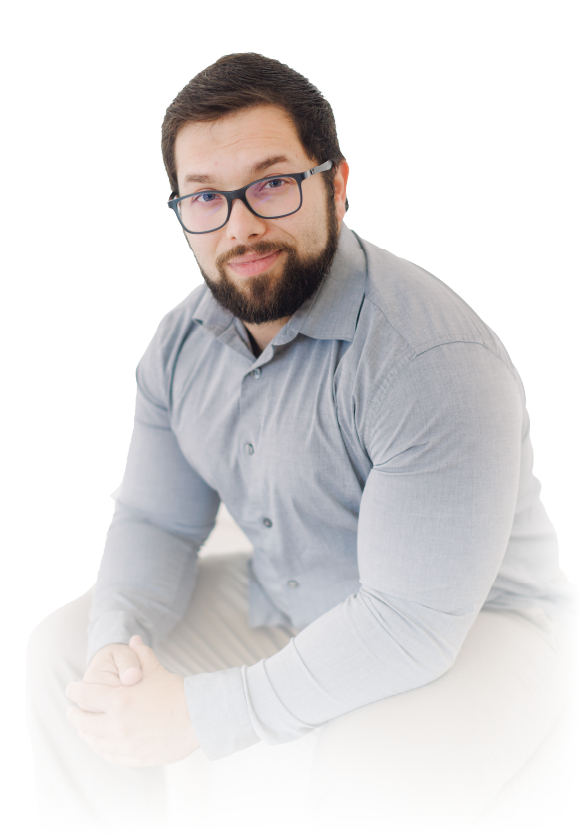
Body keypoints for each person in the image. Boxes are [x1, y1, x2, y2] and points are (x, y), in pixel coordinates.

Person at [26, 51, 577, 834]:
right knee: (68, 660)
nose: (240, 224)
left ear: (336, 185)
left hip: (475, 627)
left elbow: (409, 623)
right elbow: (156, 521)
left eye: (271, 184)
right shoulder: (179, 345)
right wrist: (117, 645)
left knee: (373, 769)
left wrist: (199, 714)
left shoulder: (429, 359)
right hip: (290, 595)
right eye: (205, 197)